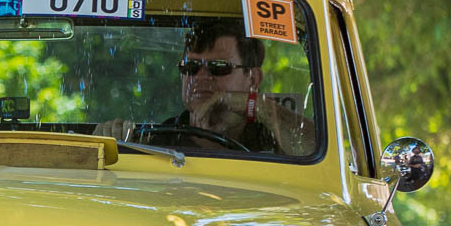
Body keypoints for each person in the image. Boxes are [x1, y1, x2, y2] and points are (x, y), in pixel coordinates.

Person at [98, 19, 316, 156]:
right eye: (191, 67)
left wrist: (260, 107)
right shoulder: (156, 142)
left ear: (253, 79)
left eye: (218, 67)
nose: (200, 77)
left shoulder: (272, 138)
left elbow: (317, 154)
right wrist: (105, 142)